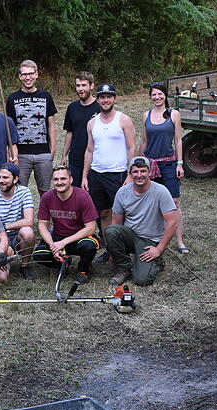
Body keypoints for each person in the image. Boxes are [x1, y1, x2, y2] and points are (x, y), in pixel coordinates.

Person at [105, 156, 180, 286]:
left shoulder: (161, 191)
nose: (139, 175)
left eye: (143, 171)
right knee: (111, 231)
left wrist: (159, 249)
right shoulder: (122, 192)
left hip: (150, 240)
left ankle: (157, 262)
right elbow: (116, 222)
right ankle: (124, 269)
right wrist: (112, 252)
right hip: (130, 235)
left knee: (142, 280)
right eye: (135, 171)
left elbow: (172, 223)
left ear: (149, 172)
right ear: (130, 174)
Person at [82, 83, 136, 252]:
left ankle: (122, 248)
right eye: (102, 97)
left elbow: (132, 148)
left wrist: (130, 174)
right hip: (97, 174)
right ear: (97, 100)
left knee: (120, 213)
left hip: (118, 174)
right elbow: (89, 150)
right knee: (103, 212)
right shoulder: (92, 123)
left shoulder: (124, 120)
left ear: (114, 99)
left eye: (109, 97)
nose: (105, 100)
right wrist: (85, 176)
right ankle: (108, 248)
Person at [141, 82, 188, 254]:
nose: (157, 97)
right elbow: (144, 140)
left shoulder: (174, 114)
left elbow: (177, 140)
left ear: (165, 96)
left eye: (160, 94)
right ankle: (155, 236)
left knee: (174, 202)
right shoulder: (146, 115)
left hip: (168, 163)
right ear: (150, 97)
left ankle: (179, 240)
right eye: (154, 94)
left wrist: (180, 163)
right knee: (151, 202)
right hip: (151, 164)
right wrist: (139, 163)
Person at [33, 166, 100, 284]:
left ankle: (84, 269)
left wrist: (64, 242)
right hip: (58, 236)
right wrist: (52, 245)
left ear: (71, 180)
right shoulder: (47, 197)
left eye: (63, 179)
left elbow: (90, 228)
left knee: (89, 247)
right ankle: (63, 263)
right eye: (56, 180)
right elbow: (42, 225)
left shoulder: (82, 196)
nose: (59, 182)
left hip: (79, 237)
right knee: (39, 255)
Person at [6, 60, 57, 197]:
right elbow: (9, 127)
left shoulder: (46, 96)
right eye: (24, 74)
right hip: (21, 154)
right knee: (19, 191)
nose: (27, 77)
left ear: (36, 75)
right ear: (19, 77)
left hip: (43, 152)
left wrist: (53, 148)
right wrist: (11, 152)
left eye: (30, 74)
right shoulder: (13, 98)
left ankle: (46, 218)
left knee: (46, 191)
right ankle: (22, 218)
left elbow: (51, 124)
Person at [0, 163, 35, 281]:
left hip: (16, 235)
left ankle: (24, 266)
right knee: (0, 279)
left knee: (27, 231)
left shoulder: (24, 192)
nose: (1, 181)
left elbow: (29, 220)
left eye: (5, 177)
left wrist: (4, 227)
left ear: (15, 179)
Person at [61, 71, 100, 189]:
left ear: (91, 86)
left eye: (84, 85)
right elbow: (69, 132)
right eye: (78, 85)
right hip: (75, 160)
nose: (80, 89)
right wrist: (64, 156)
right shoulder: (72, 107)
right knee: (76, 195)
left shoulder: (100, 107)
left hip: (95, 161)